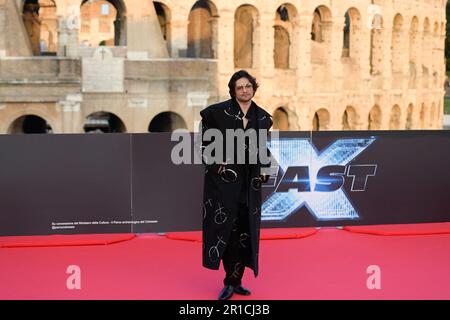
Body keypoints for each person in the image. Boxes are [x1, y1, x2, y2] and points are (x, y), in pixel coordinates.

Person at [199, 70, 273, 300]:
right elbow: (205, 143)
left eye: (248, 86)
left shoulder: (262, 117)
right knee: (226, 232)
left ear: (253, 89)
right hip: (224, 184)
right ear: (233, 90)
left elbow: (263, 148)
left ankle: (237, 280)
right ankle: (229, 281)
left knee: (245, 231)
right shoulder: (216, 113)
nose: (244, 90)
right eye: (240, 87)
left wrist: (264, 169)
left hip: (249, 186)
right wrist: (216, 163)